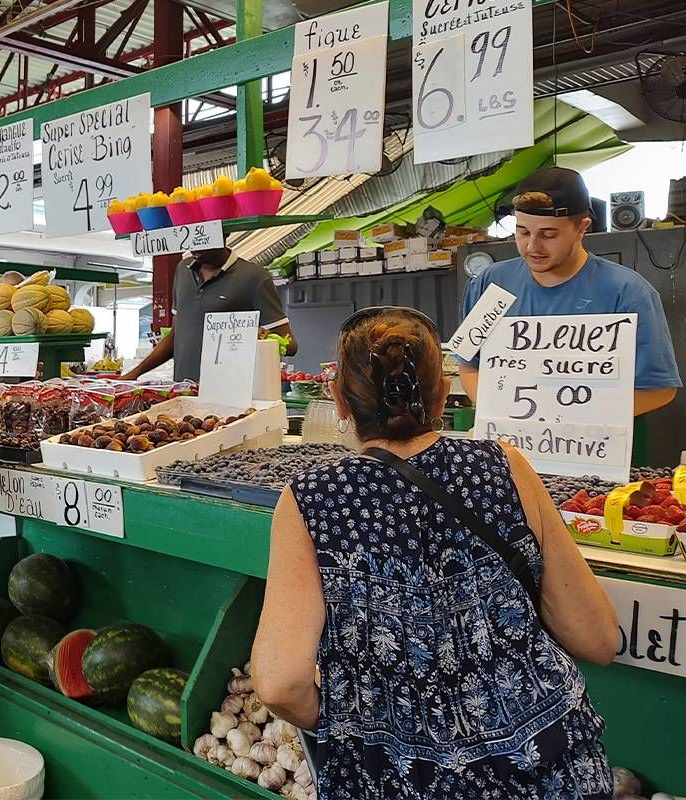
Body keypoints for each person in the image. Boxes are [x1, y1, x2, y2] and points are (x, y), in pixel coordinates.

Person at [251, 306, 619, 800]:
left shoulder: (312, 499)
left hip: (396, 780)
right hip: (548, 768)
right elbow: (598, 639)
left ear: (338, 400)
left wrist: (360, 719)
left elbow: (279, 685)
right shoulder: (503, 466)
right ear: (444, 395)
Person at [459, 166, 680, 415]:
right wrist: (499, 411)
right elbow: (469, 364)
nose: (532, 246)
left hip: (589, 446)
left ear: (581, 228)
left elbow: (659, 389)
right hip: (509, 441)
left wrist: (565, 416)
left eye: (549, 234)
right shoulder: (489, 283)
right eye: (522, 232)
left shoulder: (628, 293)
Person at [122, 246, 297, 382]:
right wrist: (134, 374)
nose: (195, 249)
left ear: (224, 233)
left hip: (231, 397)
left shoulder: (254, 277)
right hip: (184, 393)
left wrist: (259, 337)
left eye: (204, 240)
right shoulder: (183, 270)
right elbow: (176, 336)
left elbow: (290, 345)